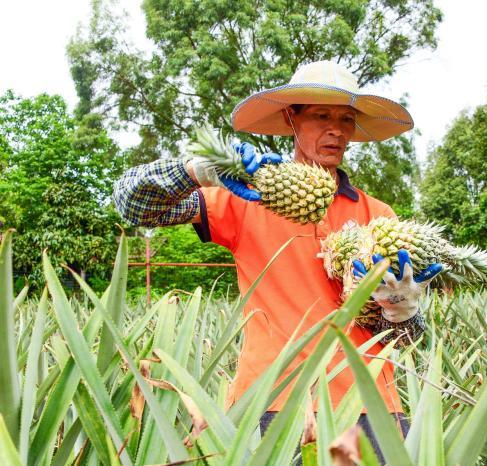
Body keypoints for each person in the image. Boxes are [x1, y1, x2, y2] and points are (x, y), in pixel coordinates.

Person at [112, 60, 443, 460]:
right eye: (321, 115)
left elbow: (401, 343)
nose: (335, 129)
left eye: (346, 119)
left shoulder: (378, 214)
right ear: (292, 117)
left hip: (371, 407)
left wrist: (404, 311)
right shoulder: (247, 198)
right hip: (272, 402)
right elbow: (134, 204)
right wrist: (198, 170)